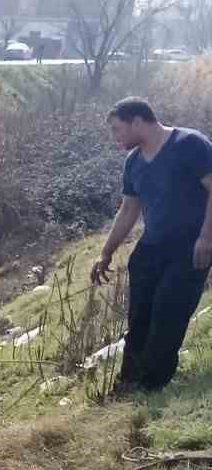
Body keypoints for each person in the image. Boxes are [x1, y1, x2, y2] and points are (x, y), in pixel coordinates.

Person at [91, 98, 212, 393]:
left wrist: (207, 238)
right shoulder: (133, 162)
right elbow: (128, 210)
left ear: (137, 122)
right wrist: (106, 252)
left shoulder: (189, 144)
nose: (115, 137)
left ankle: (151, 385)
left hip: (190, 247)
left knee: (168, 311)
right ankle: (129, 381)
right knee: (140, 317)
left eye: (117, 129)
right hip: (151, 247)